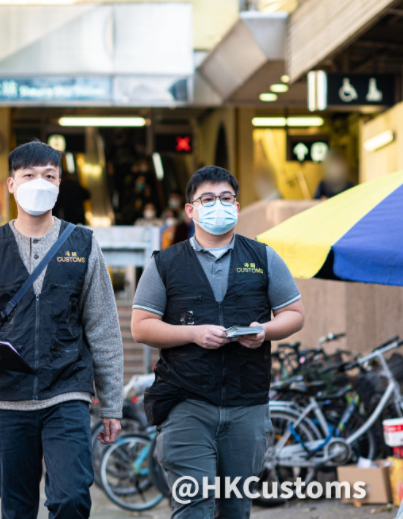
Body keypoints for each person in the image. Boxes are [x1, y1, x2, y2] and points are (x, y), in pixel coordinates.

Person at [0, 140, 123, 519]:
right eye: (29, 175)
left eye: (48, 175)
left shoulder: (83, 243)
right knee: (18, 508)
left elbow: (104, 327)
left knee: (71, 499)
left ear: (59, 184)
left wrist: (111, 405)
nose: (39, 183)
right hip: (6, 399)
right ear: (11, 184)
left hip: (67, 391)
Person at [131, 166, 306, 518]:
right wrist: (193, 333)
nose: (218, 206)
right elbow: (141, 327)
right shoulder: (165, 263)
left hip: (247, 404)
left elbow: (295, 313)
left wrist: (264, 331)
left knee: (235, 508)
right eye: (207, 199)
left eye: (226, 199)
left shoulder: (263, 257)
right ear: (190, 210)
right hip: (186, 402)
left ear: (238, 208)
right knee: (193, 505)